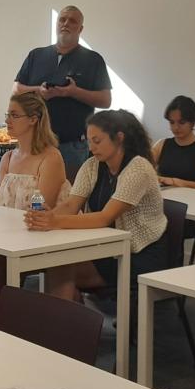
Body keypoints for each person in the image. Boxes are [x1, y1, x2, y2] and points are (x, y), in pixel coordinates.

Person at [27, 110, 167, 329]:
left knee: (63, 267)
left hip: (140, 252)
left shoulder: (139, 168)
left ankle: (62, 332)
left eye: (97, 141)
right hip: (106, 246)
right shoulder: (93, 165)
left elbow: (105, 217)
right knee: (57, 263)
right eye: (88, 140)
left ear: (119, 138)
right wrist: (49, 215)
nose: (91, 147)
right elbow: (72, 205)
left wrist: (54, 222)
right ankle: (66, 329)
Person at [0, 91, 69, 325]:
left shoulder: (51, 157)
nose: (7, 120)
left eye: (14, 115)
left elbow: (40, 210)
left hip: (38, 236)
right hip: (9, 235)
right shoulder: (8, 158)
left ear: (33, 119)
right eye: (8, 114)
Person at [13, 5, 111, 178]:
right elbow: (17, 90)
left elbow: (105, 100)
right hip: (35, 141)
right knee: (30, 195)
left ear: (80, 29)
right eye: (62, 19)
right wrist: (39, 90)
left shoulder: (93, 60)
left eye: (72, 21)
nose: (66, 24)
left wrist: (72, 92)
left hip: (72, 146)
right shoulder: (36, 55)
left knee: (67, 198)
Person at [153, 95, 195, 190]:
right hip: (163, 198)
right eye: (172, 122)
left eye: (182, 122)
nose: (176, 127)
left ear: (193, 122)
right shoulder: (161, 144)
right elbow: (142, 169)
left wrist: (173, 181)